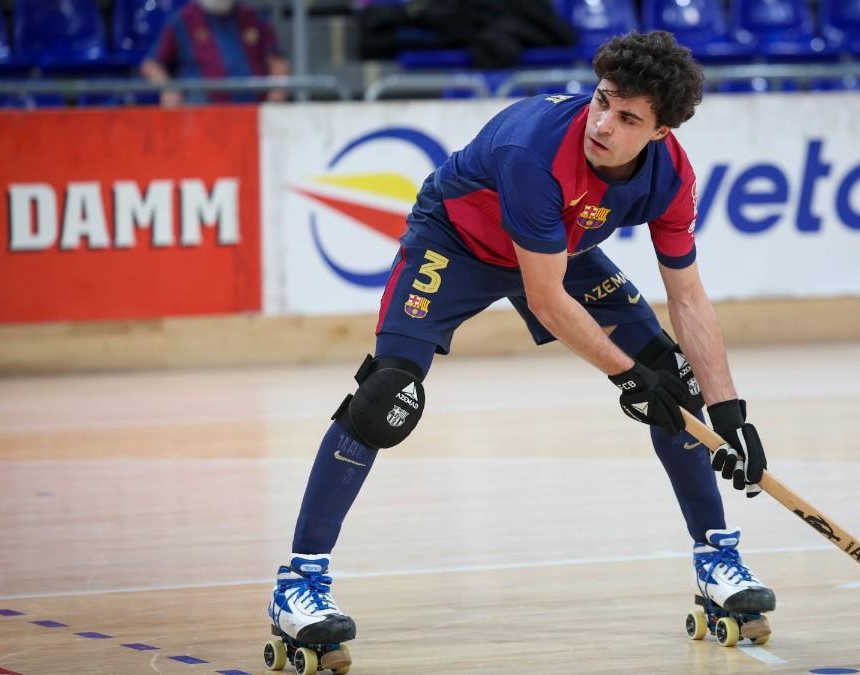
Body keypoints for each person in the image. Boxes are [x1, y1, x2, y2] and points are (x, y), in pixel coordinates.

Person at [267, 31, 775, 655]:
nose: (603, 124)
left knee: (677, 383)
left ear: (661, 133)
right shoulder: (533, 152)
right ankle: (300, 582)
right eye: (602, 100)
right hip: (456, 244)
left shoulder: (671, 175)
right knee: (385, 397)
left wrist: (729, 411)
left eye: (627, 117)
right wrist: (626, 378)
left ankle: (717, 562)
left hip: (561, 251)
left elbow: (690, 298)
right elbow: (546, 299)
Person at [139, 0, 289, 106]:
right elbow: (151, 65)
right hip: (201, 111)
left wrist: (277, 90)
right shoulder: (182, 20)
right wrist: (168, 89)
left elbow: (278, 63)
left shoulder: (254, 18)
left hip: (253, 110)